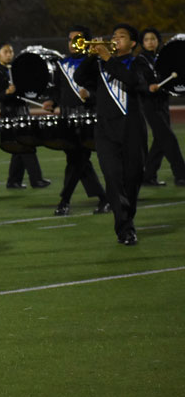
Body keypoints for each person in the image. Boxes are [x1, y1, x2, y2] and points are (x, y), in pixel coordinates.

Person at [74, 24, 147, 245]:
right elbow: (78, 77)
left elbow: (134, 81)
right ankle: (125, 229)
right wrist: (92, 54)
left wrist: (107, 58)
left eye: (121, 37)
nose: (115, 39)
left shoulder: (139, 63)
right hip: (105, 131)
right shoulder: (99, 65)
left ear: (133, 43)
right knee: (114, 178)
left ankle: (128, 219)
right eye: (113, 36)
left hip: (132, 129)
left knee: (132, 178)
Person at [44, 26, 110, 216]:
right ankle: (104, 198)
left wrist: (90, 94)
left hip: (88, 116)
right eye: (70, 39)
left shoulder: (95, 62)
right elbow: (58, 89)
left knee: (77, 160)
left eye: (78, 39)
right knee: (78, 161)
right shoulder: (62, 63)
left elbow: (104, 90)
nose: (73, 43)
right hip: (66, 118)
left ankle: (64, 201)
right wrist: (52, 101)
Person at [0, 42, 51, 189]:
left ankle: (13, 181)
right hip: (9, 113)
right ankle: (36, 180)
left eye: (11, 51)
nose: (9, 54)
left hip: (22, 111)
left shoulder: (17, 69)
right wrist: (7, 93)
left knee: (20, 147)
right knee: (27, 145)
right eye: (5, 52)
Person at [136, 27, 185, 187]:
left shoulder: (161, 58)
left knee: (160, 141)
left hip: (162, 102)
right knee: (169, 138)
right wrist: (148, 87)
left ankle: (148, 176)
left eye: (153, 39)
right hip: (150, 104)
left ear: (158, 41)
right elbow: (139, 80)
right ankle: (181, 175)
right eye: (147, 40)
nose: (150, 42)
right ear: (142, 43)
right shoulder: (141, 60)